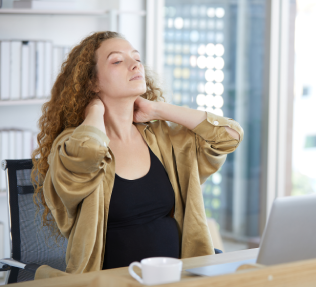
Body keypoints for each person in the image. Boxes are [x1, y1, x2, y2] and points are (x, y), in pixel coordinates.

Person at [31, 31, 243, 279]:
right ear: (92, 82)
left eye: (137, 59)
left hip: (178, 278)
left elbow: (230, 135)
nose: (135, 65)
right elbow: (89, 151)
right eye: (117, 61)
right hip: (108, 283)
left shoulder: (163, 139)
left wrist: (158, 109)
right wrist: (95, 112)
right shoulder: (70, 145)